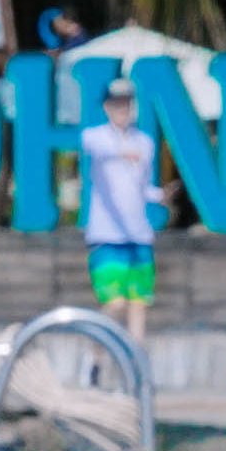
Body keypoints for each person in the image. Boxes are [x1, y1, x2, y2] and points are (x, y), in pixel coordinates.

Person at [79, 66, 162, 311]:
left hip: (138, 233)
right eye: (117, 104)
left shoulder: (144, 142)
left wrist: (160, 195)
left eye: (126, 103)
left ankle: (135, 349)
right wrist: (122, 153)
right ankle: (99, 348)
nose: (122, 109)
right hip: (107, 234)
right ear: (106, 107)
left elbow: (143, 187)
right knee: (114, 303)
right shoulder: (95, 136)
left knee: (139, 303)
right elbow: (98, 150)